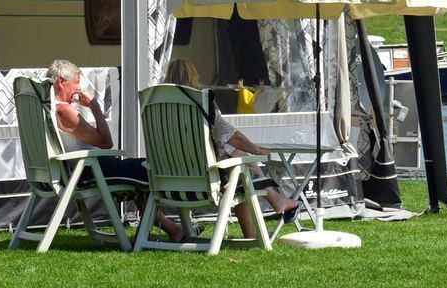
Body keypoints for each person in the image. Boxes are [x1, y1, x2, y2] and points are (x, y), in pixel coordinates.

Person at [49, 60, 183, 242]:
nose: (78, 89)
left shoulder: (50, 108)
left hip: (83, 169)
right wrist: (95, 107)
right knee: (149, 169)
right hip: (91, 170)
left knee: (139, 170)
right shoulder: (64, 111)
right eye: (76, 82)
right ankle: (147, 236)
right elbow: (106, 142)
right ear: (61, 82)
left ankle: (170, 229)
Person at [166, 58, 302, 229]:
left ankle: (268, 211)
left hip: (167, 179)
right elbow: (230, 134)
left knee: (236, 161)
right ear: (193, 77)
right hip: (204, 180)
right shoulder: (200, 102)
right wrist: (255, 149)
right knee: (238, 166)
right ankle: (276, 199)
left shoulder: (157, 108)